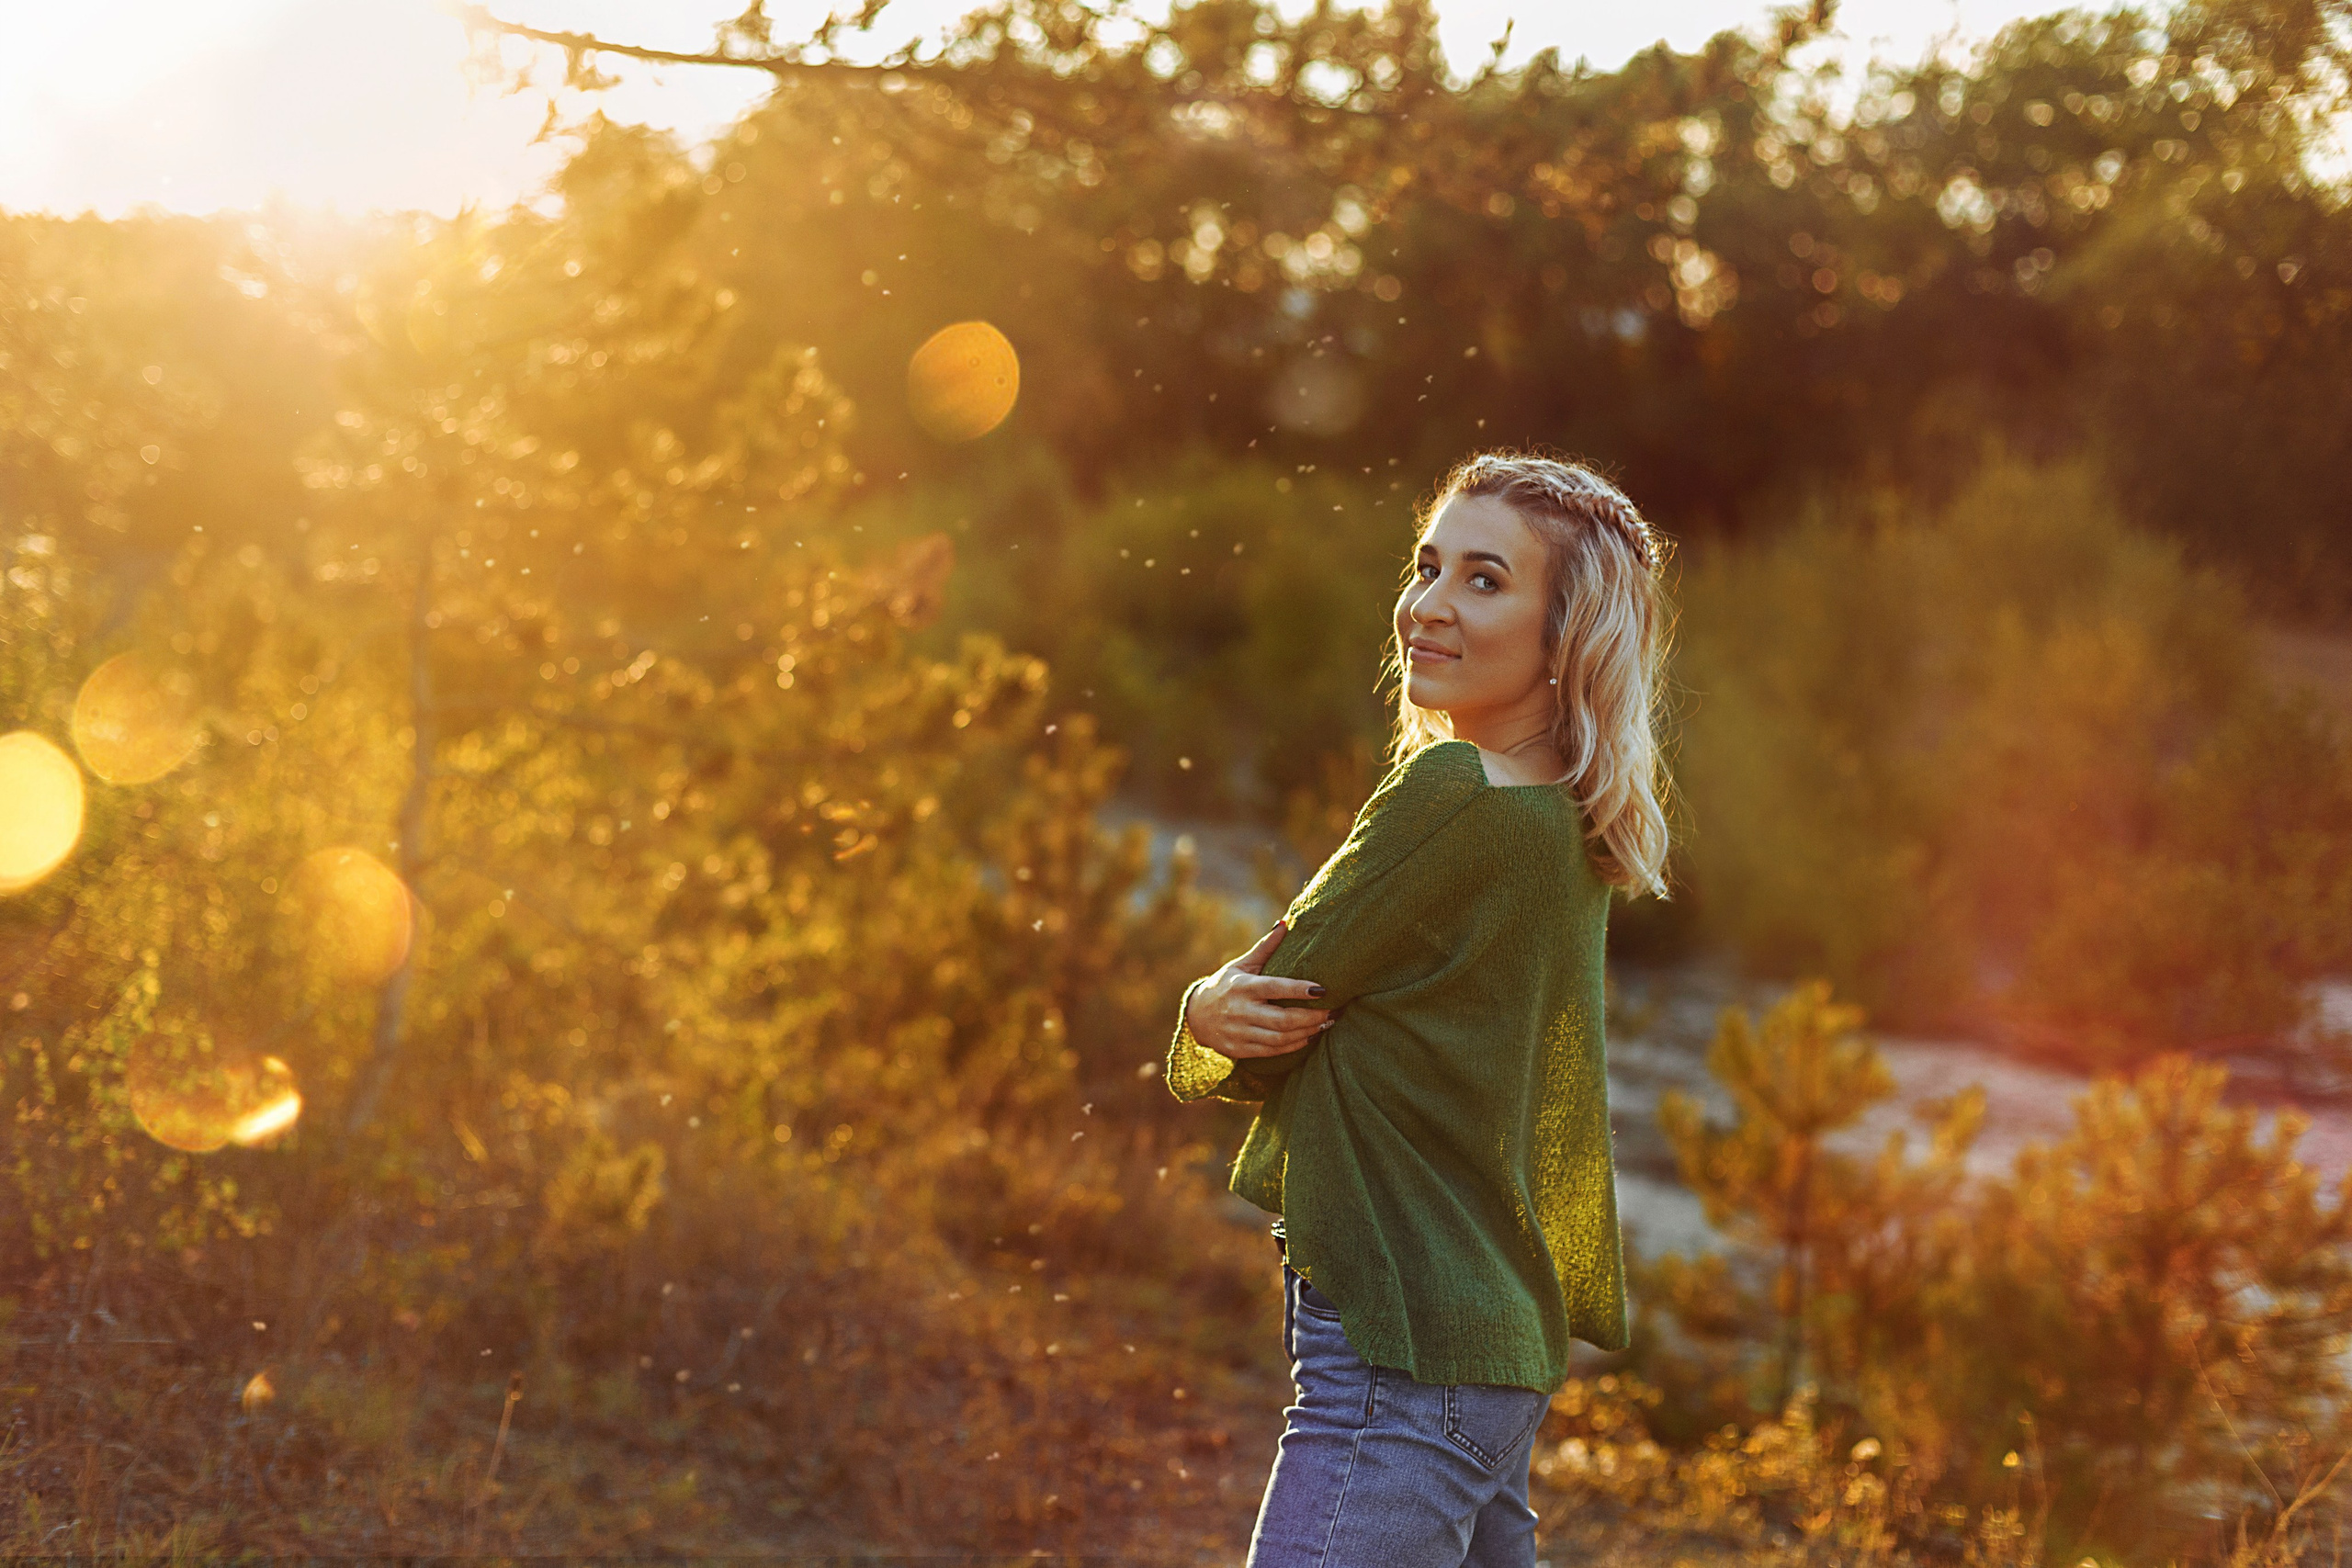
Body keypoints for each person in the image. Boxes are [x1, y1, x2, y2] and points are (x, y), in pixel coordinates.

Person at [1164, 450, 1675, 1568]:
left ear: (1564, 632)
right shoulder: (1566, 826)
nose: (1427, 607)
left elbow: (1271, 1000)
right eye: (1426, 565)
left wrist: (1200, 1013)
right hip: (1485, 1355)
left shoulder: (1450, 796)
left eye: (1484, 580)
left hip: (1404, 1361)